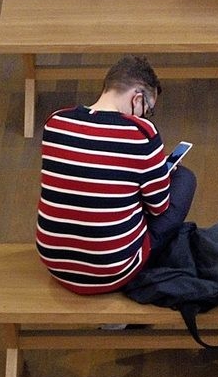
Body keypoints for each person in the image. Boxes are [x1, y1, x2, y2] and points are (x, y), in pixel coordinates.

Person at [35, 55, 197, 293]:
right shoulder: (142, 132)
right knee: (184, 178)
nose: (144, 115)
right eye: (147, 109)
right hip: (113, 270)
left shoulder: (55, 122)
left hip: (54, 261)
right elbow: (159, 208)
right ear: (137, 98)